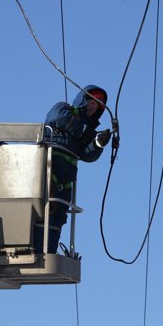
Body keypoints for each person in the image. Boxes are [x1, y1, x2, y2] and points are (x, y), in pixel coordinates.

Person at [38, 85, 111, 254]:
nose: (93, 106)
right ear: (82, 99)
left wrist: (98, 144)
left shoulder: (89, 132)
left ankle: (49, 252)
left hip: (67, 178)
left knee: (59, 214)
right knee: (44, 210)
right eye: (91, 101)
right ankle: (36, 249)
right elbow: (56, 117)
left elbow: (86, 155)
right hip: (50, 169)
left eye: (97, 105)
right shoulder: (63, 108)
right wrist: (84, 132)